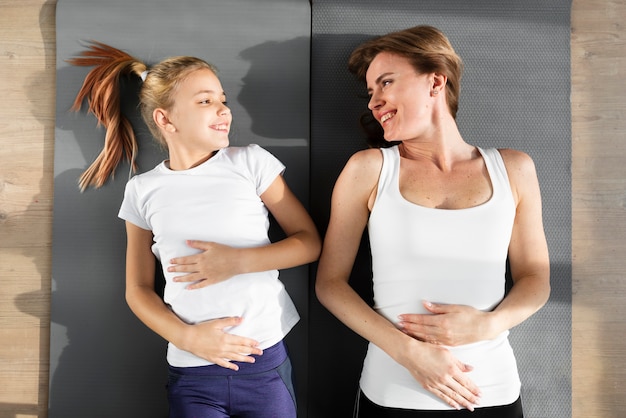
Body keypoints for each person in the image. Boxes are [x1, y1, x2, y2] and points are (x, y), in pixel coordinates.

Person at [68, 41, 321, 418]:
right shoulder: (142, 190)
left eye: (223, 99)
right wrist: (187, 337)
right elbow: (137, 290)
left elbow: (309, 243)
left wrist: (237, 261)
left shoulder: (249, 163)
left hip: (265, 364)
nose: (223, 109)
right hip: (193, 373)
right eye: (205, 101)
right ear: (166, 120)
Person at [315, 25, 550, 417]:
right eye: (371, 91)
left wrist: (486, 326)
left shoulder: (514, 168)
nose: (375, 102)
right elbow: (330, 284)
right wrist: (410, 354)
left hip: (491, 392)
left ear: (435, 81)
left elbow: (536, 278)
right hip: (393, 391)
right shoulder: (369, 169)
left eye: (386, 82)